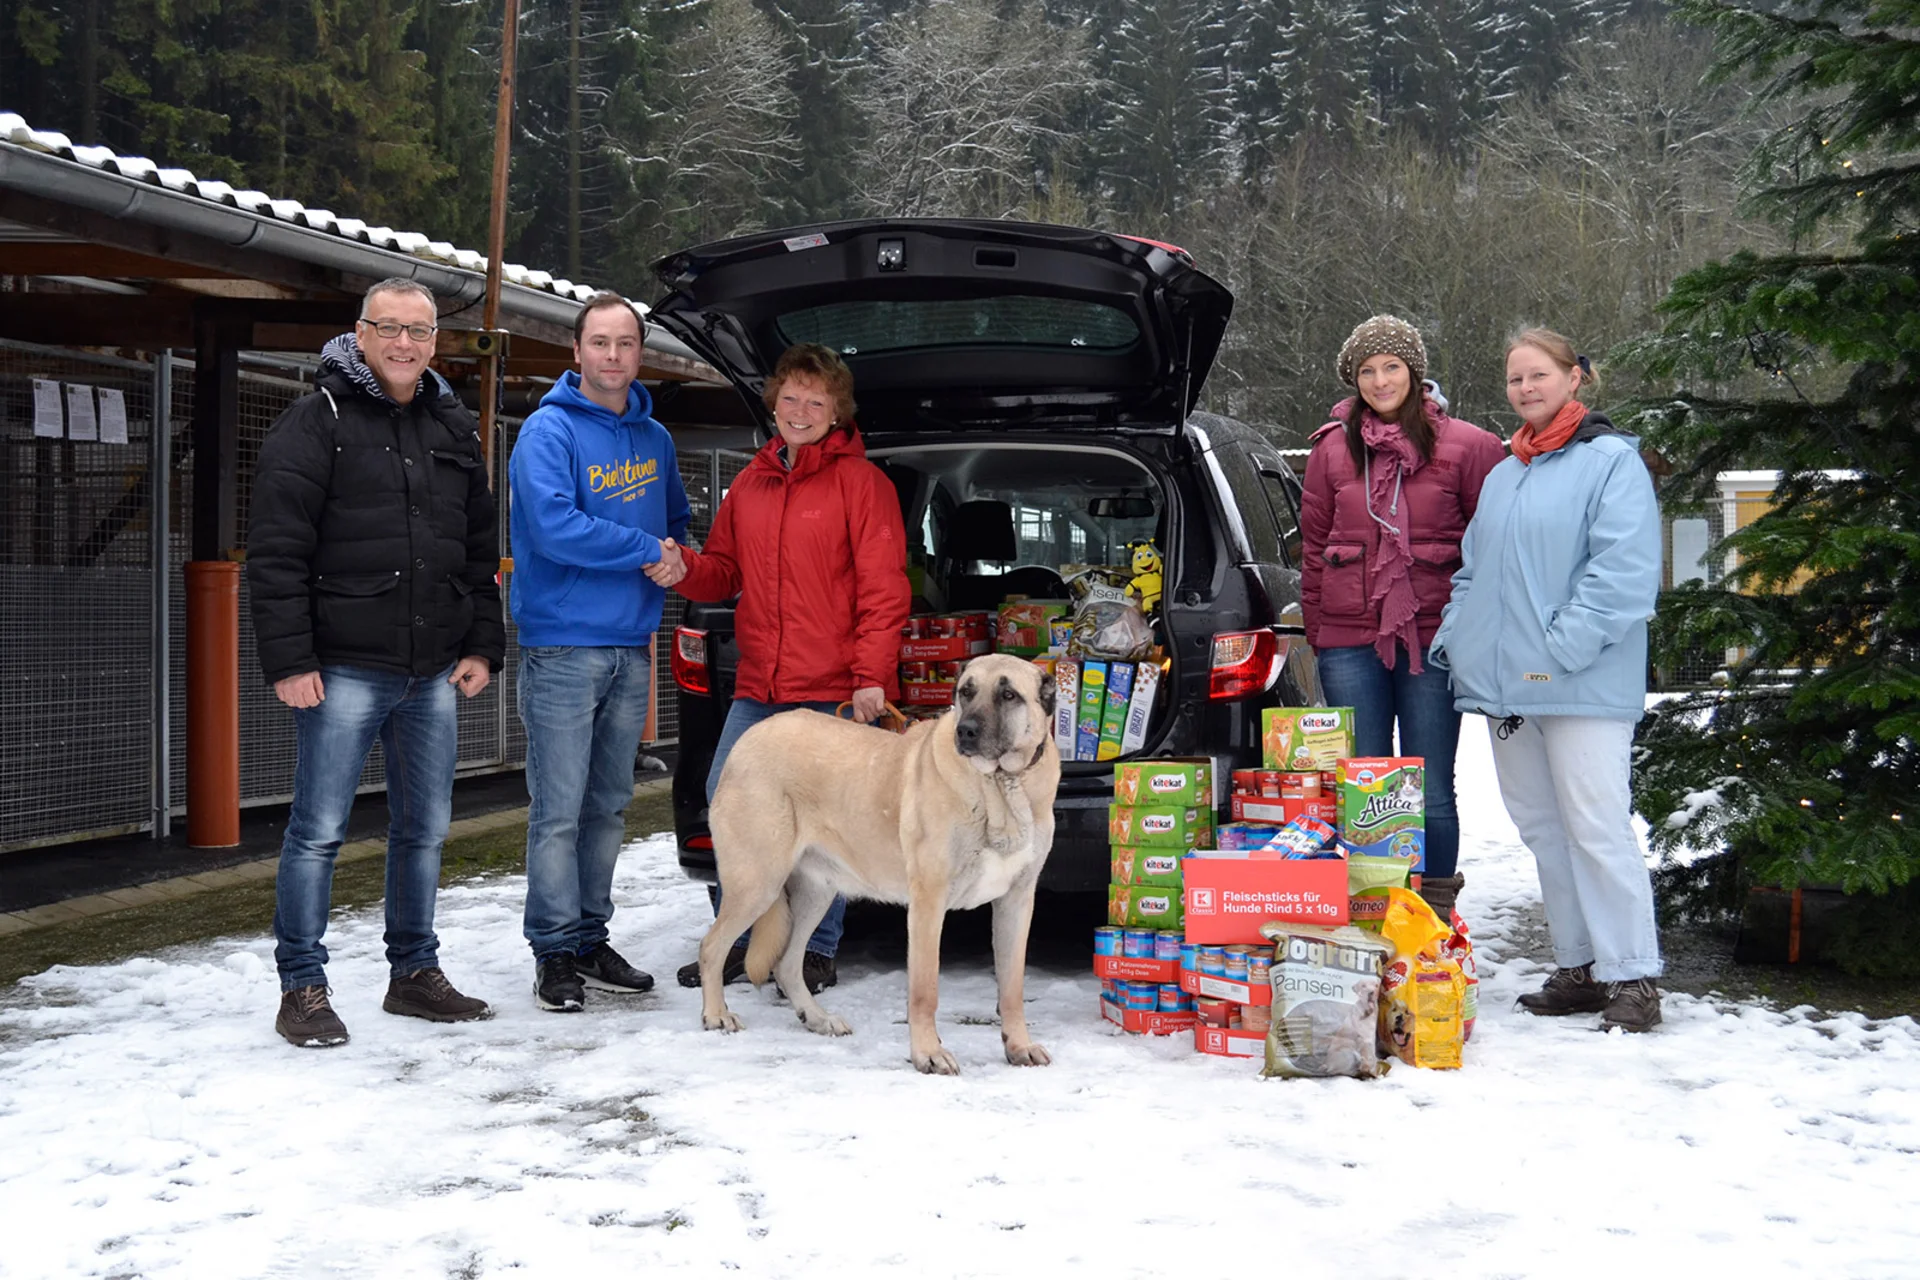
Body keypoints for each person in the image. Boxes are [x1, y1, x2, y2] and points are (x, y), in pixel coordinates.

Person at [249, 277, 504, 1048]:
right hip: (344, 666)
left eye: (419, 332)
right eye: (388, 329)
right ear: (359, 334)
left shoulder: (452, 424)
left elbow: (478, 551)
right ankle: (302, 986)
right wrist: (290, 660)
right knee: (319, 830)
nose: (404, 344)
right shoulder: (316, 418)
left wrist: (482, 644)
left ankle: (414, 975)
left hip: (431, 670)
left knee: (423, 829)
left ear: (435, 342)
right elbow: (277, 550)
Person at [653, 343, 911, 995]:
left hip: (833, 693)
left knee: (829, 824)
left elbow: (884, 589)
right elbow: (724, 571)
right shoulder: (751, 484)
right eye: (790, 397)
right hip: (759, 688)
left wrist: (870, 677)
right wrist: (688, 567)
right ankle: (741, 940)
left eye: (815, 401)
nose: (799, 411)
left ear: (836, 412)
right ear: (774, 403)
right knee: (728, 802)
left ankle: (814, 948)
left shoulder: (862, 485)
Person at [1430, 327, 1664, 1033]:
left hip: (1582, 682)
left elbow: (1622, 573)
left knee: (1596, 826)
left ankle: (1634, 976)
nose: (1526, 389)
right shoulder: (1506, 474)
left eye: (1538, 376)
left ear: (1573, 378)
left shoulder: (1612, 463)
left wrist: (1561, 646)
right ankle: (1582, 965)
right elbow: (1474, 573)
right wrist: (1456, 640)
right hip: (1509, 688)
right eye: (1514, 380)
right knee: (1543, 828)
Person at [509, 292, 691, 1012]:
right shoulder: (547, 433)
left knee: (609, 805)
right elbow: (555, 528)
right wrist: (650, 551)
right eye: (599, 343)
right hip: (562, 646)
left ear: (637, 354)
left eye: (625, 344)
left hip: (630, 646)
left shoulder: (656, 440)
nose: (612, 356)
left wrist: (679, 558)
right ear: (576, 351)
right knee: (558, 809)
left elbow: (674, 520)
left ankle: (589, 937)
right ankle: (553, 951)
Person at [1301, 315, 1505, 916]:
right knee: (1366, 783)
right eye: (1367, 370)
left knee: (1431, 784)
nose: (1380, 380)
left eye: (1392, 366)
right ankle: (1374, 910)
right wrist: (1319, 630)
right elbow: (1314, 547)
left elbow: (1490, 547)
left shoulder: (1470, 447)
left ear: (1415, 372)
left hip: (1433, 636)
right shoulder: (1332, 450)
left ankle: (1436, 916)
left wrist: (1477, 630)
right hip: (1348, 638)